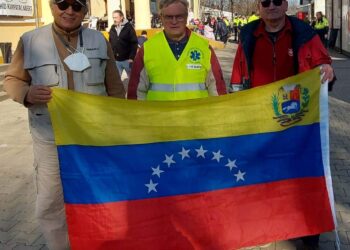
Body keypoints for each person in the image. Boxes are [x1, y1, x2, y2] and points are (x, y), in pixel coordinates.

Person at [3, 0, 125, 249]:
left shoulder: (99, 40)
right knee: (51, 200)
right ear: (51, 6)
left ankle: (96, 242)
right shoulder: (30, 40)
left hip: (94, 137)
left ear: (85, 11)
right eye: (63, 4)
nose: (69, 10)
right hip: (50, 137)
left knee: (97, 195)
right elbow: (12, 79)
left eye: (77, 6)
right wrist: (26, 93)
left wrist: (118, 130)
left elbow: (115, 88)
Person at [230, 0, 335, 247]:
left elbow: (323, 65)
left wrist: (328, 70)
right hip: (260, 124)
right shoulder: (248, 36)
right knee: (265, 178)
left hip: (299, 126)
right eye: (265, 2)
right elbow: (237, 78)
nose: (271, 6)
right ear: (258, 7)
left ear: (286, 4)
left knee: (304, 181)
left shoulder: (305, 34)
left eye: (277, 1)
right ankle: (271, 225)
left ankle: (310, 235)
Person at [128, 0, 227, 100]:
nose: (174, 21)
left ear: (186, 17)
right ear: (161, 17)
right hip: (159, 115)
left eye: (179, 16)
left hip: (196, 115)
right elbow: (135, 94)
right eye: (169, 17)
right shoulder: (147, 49)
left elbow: (218, 91)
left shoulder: (204, 48)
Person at [109, 9, 138, 90]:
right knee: (116, 80)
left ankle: (134, 96)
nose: (114, 19)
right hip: (116, 60)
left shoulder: (129, 27)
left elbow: (134, 43)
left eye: (116, 17)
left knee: (133, 80)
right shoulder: (112, 28)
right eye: (113, 18)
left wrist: (131, 57)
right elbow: (110, 42)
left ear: (121, 17)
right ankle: (119, 96)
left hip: (127, 60)